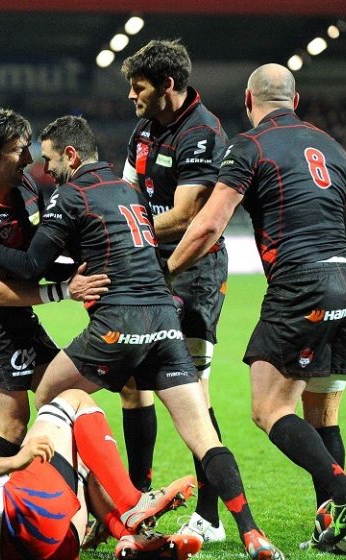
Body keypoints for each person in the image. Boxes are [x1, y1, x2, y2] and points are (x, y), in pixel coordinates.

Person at [0, 115, 285, 560]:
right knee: (205, 436)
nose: (44, 169)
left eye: (49, 159)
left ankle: (67, 521)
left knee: (54, 402)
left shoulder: (70, 195)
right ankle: (252, 533)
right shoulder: (131, 190)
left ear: (70, 156)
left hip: (119, 322)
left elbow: (31, 265)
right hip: (166, 319)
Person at [167, 63, 346, 552]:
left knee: (268, 408)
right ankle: (331, 528)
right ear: (295, 100)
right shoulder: (332, 145)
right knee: (323, 415)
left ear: (248, 100)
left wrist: (164, 275)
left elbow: (207, 227)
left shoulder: (248, 146)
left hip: (301, 285)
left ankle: (345, 494)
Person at [0, 361, 202, 560]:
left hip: (40, 548)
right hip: (24, 517)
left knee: (81, 446)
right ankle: (132, 504)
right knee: (73, 399)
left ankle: (132, 538)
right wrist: (13, 463)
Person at [0, 105, 109, 457]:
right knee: (13, 425)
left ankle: (72, 500)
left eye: (27, 147)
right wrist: (66, 289)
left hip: (22, 321)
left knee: (63, 399)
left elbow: (35, 258)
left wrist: (81, 267)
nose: (27, 158)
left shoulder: (28, 187)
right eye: (17, 150)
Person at [119, 39, 230, 543]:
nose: (131, 97)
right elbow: (124, 193)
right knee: (131, 381)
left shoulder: (203, 132)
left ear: (167, 85)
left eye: (138, 87)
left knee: (191, 393)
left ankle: (210, 516)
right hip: (146, 267)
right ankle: (135, 495)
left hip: (193, 274)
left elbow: (187, 215)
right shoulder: (144, 129)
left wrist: (124, 228)